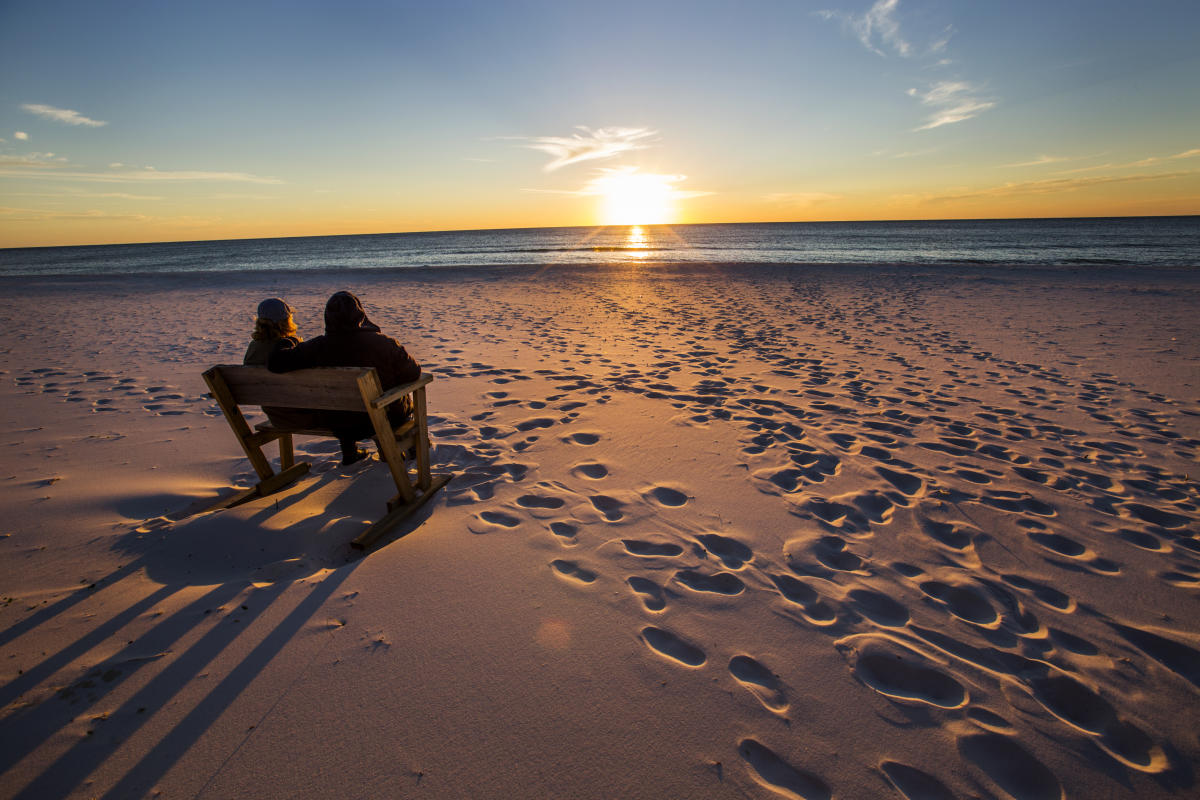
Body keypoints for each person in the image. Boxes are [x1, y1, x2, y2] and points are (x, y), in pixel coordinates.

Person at [268, 291, 421, 465]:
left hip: (338, 422)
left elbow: (276, 363)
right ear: (360, 314)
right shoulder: (383, 343)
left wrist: (288, 341)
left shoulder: (318, 346)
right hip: (384, 418)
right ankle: (411, 446)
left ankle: (349, 453)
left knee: (344, 403)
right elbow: (413, 373)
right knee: (399, 398)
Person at [243, 297, 326, 435]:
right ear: (286, 321)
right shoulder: (291, 348)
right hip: (305, 416)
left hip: (276, 417)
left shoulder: (253, 348)